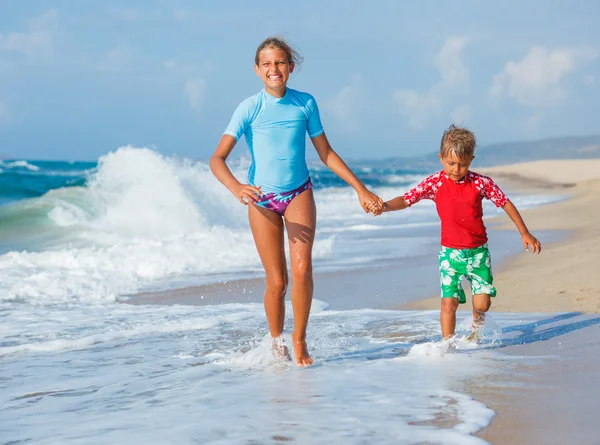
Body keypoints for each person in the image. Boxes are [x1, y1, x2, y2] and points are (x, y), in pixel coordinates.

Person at [209, 37, 382, 366]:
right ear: (257, 70)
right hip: (262, 200)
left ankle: (299, 340)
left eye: (280, 62)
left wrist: (361, 189)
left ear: (291, 66)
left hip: (298, 192)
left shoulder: (305, 103)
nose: (274, 69)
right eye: (267, 64)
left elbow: (326, 153)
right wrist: (236, 188)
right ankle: (277, 343)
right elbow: (217, 159)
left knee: (302, 271)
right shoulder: (249, 107)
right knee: (277, 280)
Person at [373, 125, 541, 341]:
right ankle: (448, 346)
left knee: (482, 304)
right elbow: (407, 199)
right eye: (451, 163)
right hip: (449, 255)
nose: (456, 169)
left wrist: (524, 232)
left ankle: (476, 324)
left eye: (462, 164)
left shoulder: (480, 183)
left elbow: (505, 202)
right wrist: (384, 206)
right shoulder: (435, 183)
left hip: (478, 254)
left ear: (471, 160)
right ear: (441, 158)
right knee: (448, 303)